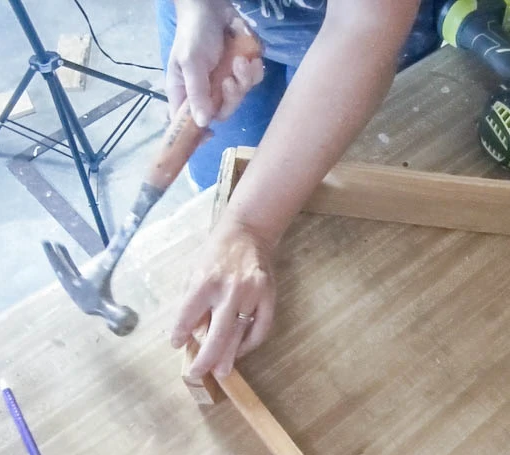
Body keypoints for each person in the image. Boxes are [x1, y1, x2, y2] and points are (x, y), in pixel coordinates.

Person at [158, 0, 439, 381]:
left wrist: (250, 227)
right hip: (224, 17)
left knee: (288, 193)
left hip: (353, 40)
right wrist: (199, 11)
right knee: (216, 186)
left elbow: (363, 27)